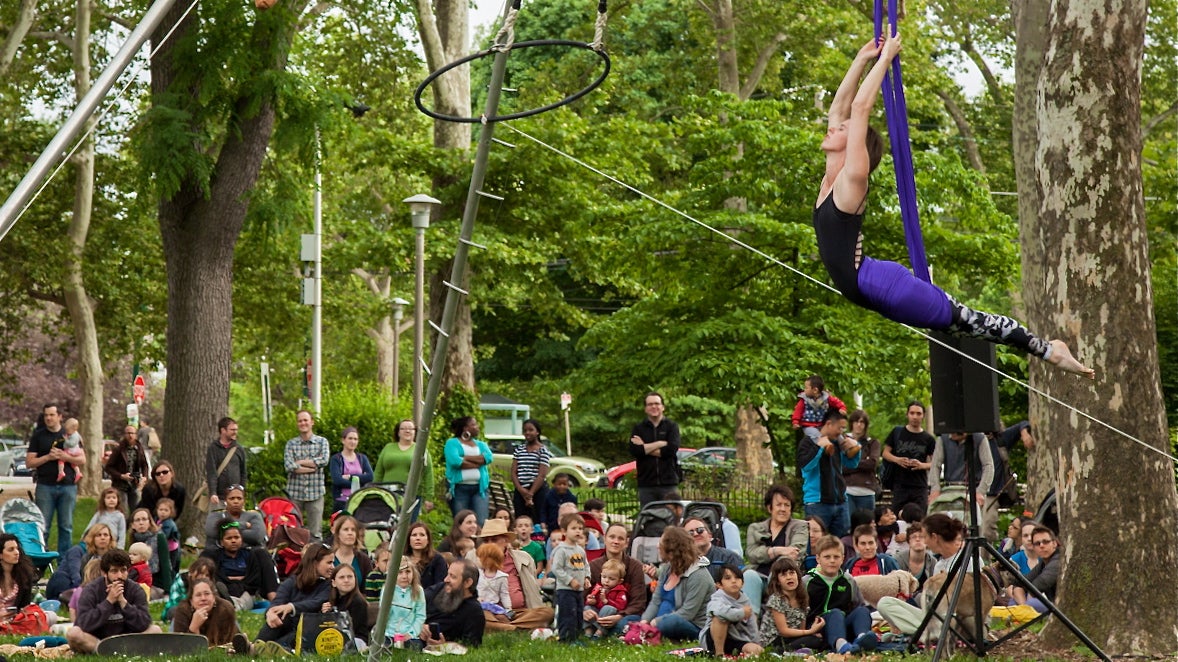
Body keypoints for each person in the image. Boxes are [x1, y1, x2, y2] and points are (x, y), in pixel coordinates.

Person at [813, 31, 1094, 378]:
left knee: (965, 321)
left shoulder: (853, 179)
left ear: (855, 144)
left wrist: (886, 60)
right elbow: (840, 109)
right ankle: (1049, 350)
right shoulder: (832, 177)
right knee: (961, 324)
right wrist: (861, 58)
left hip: (882, 286)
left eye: (841, 130)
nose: (831, 128)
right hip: (869, 286)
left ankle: (1050, 351)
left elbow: (858, 109)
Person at [876, 513, 996, 638]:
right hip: (939, 618)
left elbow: (975, 605)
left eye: (924, 537)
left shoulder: (969, 561)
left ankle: (925, 634)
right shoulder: (938, 565)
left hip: (965, 620)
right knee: (885, 603)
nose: (925, 542)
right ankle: (928, 633)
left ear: (934, 537)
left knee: (944, 618)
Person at [464, 518, 554, 632]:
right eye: (486, 541)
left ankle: (503, 628)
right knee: (477, 614)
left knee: (547, 612)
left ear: (506, 540)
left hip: (517, 612)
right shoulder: (472, 558)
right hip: (487, 610)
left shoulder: (523, 558)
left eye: (494, 540)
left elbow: (533, 588)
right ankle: (515, 629)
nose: (490, 544)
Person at [66, 549, 163, 654]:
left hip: (128, 638)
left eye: (123, 570)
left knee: (155, 630)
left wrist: (123, 603)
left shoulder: (136, 589)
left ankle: (128, 650)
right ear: (104, 573)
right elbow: (83, 623)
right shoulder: (91, 590)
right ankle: (103, 651)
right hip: (98, 640)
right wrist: (109, 601)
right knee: (73, 633)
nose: (120, 576)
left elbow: (144, 623)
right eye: (114, 571)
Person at [244, 542, 333, 653]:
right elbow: (278, 601)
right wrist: (270, 612)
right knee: (279, 615)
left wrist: (291, 607)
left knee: (297, 632)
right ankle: (255, 646)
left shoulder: (328, 585)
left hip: (309, 630)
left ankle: (256, 649)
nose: (332, 567)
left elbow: (316, 602)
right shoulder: (293, 581)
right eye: (329, 563)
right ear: (315, 563)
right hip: (287, 625)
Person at [804, 535, 878, 655]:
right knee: (835, 613)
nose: (832, 560)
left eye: (836, 557)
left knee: (862, 611)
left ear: (842, 558)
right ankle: (841, 646)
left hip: (844, 624)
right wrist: (808, 630)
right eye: (827, 557)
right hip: (819, 628)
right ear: (818, 558)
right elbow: (799, 610)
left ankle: (862, 639)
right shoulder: (807, 581)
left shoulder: (848, 580)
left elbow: (857, 604)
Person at [640, 526, 713, 641]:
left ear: (672, 551)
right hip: (662, 619)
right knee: (628, 620)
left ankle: (655, 633)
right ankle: (650, 633)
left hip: (692, 625)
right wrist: (644, 621)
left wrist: (657, 622)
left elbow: (688, 613)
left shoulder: (698, 575)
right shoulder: (666, 569)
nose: (657, 546)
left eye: (661, 543)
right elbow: (656, 600)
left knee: (670, 623)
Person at [28, 403, 84, 555]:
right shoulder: (38, 435)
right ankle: (41, 561)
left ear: (60, 416)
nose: (48, 418)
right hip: (45, 486)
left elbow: (82, 460)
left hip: (68, 486)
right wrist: (47, 457)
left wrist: (64, 457)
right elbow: (29, 462)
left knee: (66, 527)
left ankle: (64, 563)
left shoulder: (71, 434)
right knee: (42, 526)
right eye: (46, 415)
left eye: (52, 415)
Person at [744, 484, 809, 612]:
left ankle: (775, 617)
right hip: (759, 576)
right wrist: (778, 550)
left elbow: (795, 553)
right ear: (770, 508)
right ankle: (751, 624)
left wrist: (769, 554)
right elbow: (751, 553)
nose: (783, 509)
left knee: (781, 569)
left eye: (787, 505)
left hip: (784, 577)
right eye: (779, 505)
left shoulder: (800, 526)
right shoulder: (755, 528)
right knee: (749, 575)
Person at [798, 409, 860, 538]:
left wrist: (856, 447)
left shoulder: (837, 443)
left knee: (842, 542)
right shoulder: (808, 441)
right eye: (840, 428)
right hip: (817, 502)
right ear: (829, 424)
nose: (841, 432)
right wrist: (819, 447)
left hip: (840, 502)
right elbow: (805, 466)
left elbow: (851, 464)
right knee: (815, 543)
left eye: (843, 428)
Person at [200, 517, 279, 610]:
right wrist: (235, 579)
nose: (233, 541)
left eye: (236, 537)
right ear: (222, 542)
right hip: (224, 590)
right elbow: (216, 576)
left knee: (262, 553)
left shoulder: (249, 555)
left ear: (241, 540)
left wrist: (233, 579)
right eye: (229, 538)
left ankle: (233, 607)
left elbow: (254, 578)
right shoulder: (216, 556)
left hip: (246, 591)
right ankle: (227, 604)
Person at [584, 523, 648, 637]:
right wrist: (585, 611)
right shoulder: (594, 566)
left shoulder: (635, 566)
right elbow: (583, 595)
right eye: (612, 537)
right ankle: (594, 631)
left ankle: (598, 631)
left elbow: (639, 602)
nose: (616, 541)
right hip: (598, 611)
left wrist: (620, 616)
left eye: (620, 538)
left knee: (623, 625)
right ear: (605, 539)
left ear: (626, 543)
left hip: (625, 614)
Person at [759, 557, 825, 653]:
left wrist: (811, 632)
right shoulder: (776, 599)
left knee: (817, 640)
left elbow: (801, 629)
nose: (789, 577)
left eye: (792, 573)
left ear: (798, 576)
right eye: (784, 575)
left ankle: (795, 651)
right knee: (811, 639)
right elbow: (784, 631)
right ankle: (779, 652)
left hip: (792, 638)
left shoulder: (802, 598)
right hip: (775, 640)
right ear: (778, 581)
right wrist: (810, 631)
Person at [928, 431, 995, 527]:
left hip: (973, 490)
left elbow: (988, 466)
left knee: (976, 527)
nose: (952, 435)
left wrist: (981, 491)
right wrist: (935, 489)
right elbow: (935, 465)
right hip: (949, 490)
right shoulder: (943, 438)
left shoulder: (980, 438)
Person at [882, 401, 937, 517]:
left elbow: (936, 462)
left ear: (923, 416)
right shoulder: (897, 432)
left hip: (919, 485)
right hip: (900, 484)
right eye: (912, 413)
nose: (915, 417)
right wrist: (897, 460)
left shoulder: (929, 439)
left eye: (918, 414)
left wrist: (922, 465)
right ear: (907, 414)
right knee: (897, 516)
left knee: (919, 517)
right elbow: (885, 453)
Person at [629, 391, 682, 507]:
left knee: (671, 518)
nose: (654, 407)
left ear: (663, 407)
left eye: (657, 403)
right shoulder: (639, 428)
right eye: (650, 404)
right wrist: (660, 443)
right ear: (645, 408)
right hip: (646, 484)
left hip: (668, 483)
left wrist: (645, 446)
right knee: (649, 519)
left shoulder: (672, 426)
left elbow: (671, 450)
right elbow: (636, 451)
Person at [373, 420, 434, 518]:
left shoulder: (422, 450)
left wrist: (429, 497)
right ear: (398, 432)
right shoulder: (388, 448)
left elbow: (428, 474)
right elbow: (379, 472)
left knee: (407, 528)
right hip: (387, 495)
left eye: (411, 429)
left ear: (415, 432)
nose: (407, 431)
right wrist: (374, 491)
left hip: (411, 496)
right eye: (403, 428)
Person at [700, 564, 764, 657]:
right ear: (719, 585)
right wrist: (741, 613)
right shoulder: (717, 598)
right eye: (728, 578)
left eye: (737, 578)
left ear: (742, 583)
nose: (734, 581)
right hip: (714, 639)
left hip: (737, 639)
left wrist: (755, 643)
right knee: (720, 618)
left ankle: (738, 654)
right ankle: (719, 655)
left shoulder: (745, 600)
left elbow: (752, 626)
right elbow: (719, 612)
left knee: (758, 650)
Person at [284, 410, 330, 540]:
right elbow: (289, 466)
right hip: (295, 493)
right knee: (292, 531)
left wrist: (300, 463)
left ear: (312, 422)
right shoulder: (291, 444)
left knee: (315, 533)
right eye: (300, 421)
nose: (303, 423)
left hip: (315, 493)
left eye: (305, 420)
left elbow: (324, 461)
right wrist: (312, 467)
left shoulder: (322, 442)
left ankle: (315, 559)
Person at [420, 559, 484, 647]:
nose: (446, 579)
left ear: (467, 583)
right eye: (447, 574)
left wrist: (444, 646)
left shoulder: (474, 611)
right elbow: (412, 603)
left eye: (453, 577)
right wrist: (419, 626)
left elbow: (471, 646)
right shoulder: (440, 589)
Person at [46, 523, 116, 601]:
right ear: (93, 538)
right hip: (88, 590)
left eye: (105, 535)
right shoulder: (86, 558)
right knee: (60, 576)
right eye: (98, 535)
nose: (102, 538)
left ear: (110, 538)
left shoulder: (115, 557)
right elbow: (80, 578)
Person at [443, 417, 493, 525]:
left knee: (481, 522)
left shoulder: (481, 444)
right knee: (462, 523)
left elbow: (488, 458)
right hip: (459, 489)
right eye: (474, 425)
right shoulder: (452, 443)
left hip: (479, 489)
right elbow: (455, 462)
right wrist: (478, 462)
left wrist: (464, 457)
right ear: (466, 428)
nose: (477, 427)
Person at [551, 513, 589, 642]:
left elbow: (585, 565)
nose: (578, 531)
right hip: (565, 590)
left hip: (578, 590)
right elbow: (556, 568)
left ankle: (576, 637)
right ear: (564, 531)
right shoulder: (561, 550)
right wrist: (569, 580)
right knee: (568, 614)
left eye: (580, 528)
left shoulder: (580, 550)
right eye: (573, 528)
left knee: (578, 614)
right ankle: (566, 638)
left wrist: (587, 578)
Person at [172, 577, 239, 647]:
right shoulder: (183, 611)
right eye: (198, 595)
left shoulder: (225, 609)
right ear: (191, 600)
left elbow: (224, 645)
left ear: (214, 597)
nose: (203, 598)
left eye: (207, 594)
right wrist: (194, 627)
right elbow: (180, 647)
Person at [510, 418, 551, 526]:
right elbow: (513, 472)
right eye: (525, 430)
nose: (527, 433)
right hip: (521, 490)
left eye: (531, 430)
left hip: (537, 490)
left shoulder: (543, 450)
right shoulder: (519, 449)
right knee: (521, 520)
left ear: (537, 432)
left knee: (537, 520)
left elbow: (542, 474)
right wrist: (521, 490)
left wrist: (530, 494)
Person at [1012, 526, 1060, 613]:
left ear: (1054, 543)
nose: (1041, 546)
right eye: (1037, 543)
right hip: (1051, 604)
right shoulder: (1042, 563)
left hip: (1062, 607)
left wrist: (1026, 606)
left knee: (1032, 603)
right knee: (1013, 602)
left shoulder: (1059, 558)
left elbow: (1042, 583)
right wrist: (1023, 605)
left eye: (1045, 542)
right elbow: (1020, 582)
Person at [842, 409, 881, 515]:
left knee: (866, 527)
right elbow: (840, 466)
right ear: (851, 423)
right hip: (847, 490)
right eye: (856, 422)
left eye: (862, 422)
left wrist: (850, 462)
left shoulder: (872, 443)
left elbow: (872, 464)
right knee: (848, 527)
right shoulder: (843, 441)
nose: (859, 425)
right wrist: (863, 462)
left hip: (867, 491)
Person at [128, 507, 173, 598]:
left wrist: (167, 591)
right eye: (137, 520)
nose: (141, 523)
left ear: (149, 522)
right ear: (133, 525)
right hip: (137, 580)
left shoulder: (159, 537)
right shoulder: (133, 539)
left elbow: (165, 564)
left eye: (144, 519)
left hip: (156, 582)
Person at [105, 424, 150, 514]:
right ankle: (123, 526)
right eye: (128, 433)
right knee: (123, 512)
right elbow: (108, 467)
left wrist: (144, 477)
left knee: (136, 510)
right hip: (120, 485)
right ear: (124, 435)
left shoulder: (139, 448)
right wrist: (121, 476)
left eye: (133, 433)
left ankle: (133, 527)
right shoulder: (119, 449)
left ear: (136, 435)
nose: (130, 436)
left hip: (134, 484)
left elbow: (144, 464)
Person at [203, 485, 266, 549]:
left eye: (239, 498)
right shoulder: (215, 515)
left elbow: (257, 536)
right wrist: (243, 525)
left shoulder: (254, 515)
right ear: (226, 501)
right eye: (232, 498)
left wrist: (225, 531)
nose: (236, 501)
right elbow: (212, 532)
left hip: (248, 554)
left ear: (244, 500)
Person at [329, 427, 373, 514]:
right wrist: (360, 481)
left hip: (360, 501)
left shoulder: (362, 458)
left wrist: (350, 476)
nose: (353, 441)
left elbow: (370, 476)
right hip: (341, 502)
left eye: (355, 439)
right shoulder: (336, 459)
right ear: (343, 440)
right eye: (350, 438)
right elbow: (337, 480)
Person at [791, 375, 848, 443]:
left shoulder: (826, 398)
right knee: (815, 435)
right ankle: (825, 445)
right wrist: (795, 422)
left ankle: (845, 446)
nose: (804, 390)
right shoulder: (804, 400)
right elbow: (798, 411)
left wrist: (842, 408)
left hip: (822, 424)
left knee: (835, 432)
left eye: (806, 388)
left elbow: (837, 402)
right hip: (808, 425)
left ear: (815, 390)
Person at [205, 417, 246, 510]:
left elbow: (243, 473)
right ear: (223, 430)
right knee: (217, 523)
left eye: (236, 429)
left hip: (235, 498)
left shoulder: (239, 449)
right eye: (232, 430)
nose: (235, 432)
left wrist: (242, 492)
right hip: (219, 498)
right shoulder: (213, 448)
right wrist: (213, 493)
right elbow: (211, 473)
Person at [684, 517, 743, 583]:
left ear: (710, 535)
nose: (696, 534)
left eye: (700, 530)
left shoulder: (729, 558)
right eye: (690, 533)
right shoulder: (681, 561)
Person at [324, 564, 370, 645]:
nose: (346, 580)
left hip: (356, 640)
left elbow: (351, 629)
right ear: (334, 583)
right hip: (338, 638)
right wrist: (325, 613)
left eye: (350, 577)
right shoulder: (335, 600)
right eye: (341, 577)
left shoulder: (358, 602)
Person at [384, 559, 426, 649]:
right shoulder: (386, 589)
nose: (404, 576)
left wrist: (411, 633)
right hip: (389, 633)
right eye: (400, 572)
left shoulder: (418, 591)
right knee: (384, 646)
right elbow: (384, 615)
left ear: (413, 573)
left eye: (408, 572)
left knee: (416, 646)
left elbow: (420, 616)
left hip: (410, 634)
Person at [584, 558, 628, 638]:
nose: (606, 581)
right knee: (587, 608)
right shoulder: (598, 587)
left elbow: (621, 606)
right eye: (604, 577)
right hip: (598, 614)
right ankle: (588, 632)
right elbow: (595, 602)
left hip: (609, 617)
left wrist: (606, 601)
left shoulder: (620, 591)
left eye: (611, 579)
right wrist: (591, 601)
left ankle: (599, 633)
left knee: (608, 608)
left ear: (619, 581)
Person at [0, 534, 38, 619]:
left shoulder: (24, 575)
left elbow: (25, 605)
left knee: (49, 616)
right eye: (11, 550)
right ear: (1, 555)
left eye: (17, 548)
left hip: (16, 618)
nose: (16, 553)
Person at [892, 521, 937, 592]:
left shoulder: (933, 562)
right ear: (908, 541)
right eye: (914, 537)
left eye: (921, 537)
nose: (917, 539)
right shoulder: (897, 560)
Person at [329, 514, 373, 586]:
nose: (350, 533)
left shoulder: (364, 559)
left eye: (353, 530)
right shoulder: (328, 558)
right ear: (338, 534)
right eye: (346, 529)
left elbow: (368, 588)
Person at [139, 459, 187, 524]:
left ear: (172, 474)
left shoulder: (180, 490)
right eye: (157, 474)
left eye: (165, 472)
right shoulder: (148, 490)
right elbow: (147, 510)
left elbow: (178, 510)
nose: (161, 475)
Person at [404, 522, 448, 590]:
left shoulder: (437, 560)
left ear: (428, 540)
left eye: (422, 535)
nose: (418, 538)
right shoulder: (402, 559)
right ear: (409, 540)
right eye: (414, 535)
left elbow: (440, 586)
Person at [475, 542, 512, 620]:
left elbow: (504, 594)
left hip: (493, 606)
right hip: (479, 605)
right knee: (482, 614)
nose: (477, 560)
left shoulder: (502, 577)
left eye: (479, 557)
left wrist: (508, 608)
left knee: (501, 617)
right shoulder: (478, 573)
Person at [154, 497, 181, 575]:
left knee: (170, 567)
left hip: (172, 550)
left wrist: (157, 530)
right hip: (165, 548)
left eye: (166, 510)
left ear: (171, 512)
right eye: (161, 509)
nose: (163, 512)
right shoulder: (158, 520)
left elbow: (164, 536)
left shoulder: (168, 523)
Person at [60, 417, 85, 484]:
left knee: (61, 459)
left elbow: (71, 444)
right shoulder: (76, 433)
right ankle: (78, 473)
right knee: (73, 464)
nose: (67, 432)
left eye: (68, 430)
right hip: (74, 450)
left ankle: (61, 471)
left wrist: (66, 439)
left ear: (74, 429)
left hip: (72, 450)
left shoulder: (74, 436)